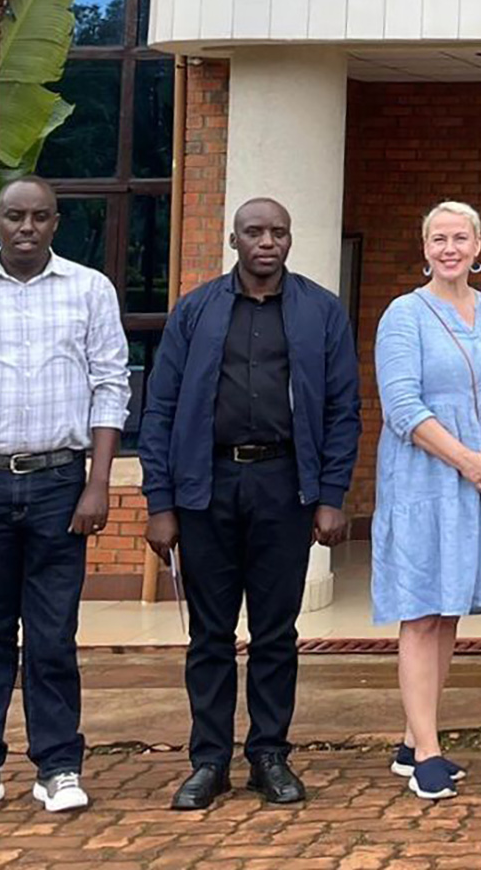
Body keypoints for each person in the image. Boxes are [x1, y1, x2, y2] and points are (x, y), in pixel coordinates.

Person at [0, 177, 130, 820]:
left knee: (52, 635)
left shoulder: (90, 290)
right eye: (15, 216)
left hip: (60, 483)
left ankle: (59, 764)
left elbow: (110, 386)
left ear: (56, 223)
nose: (27, 227)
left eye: (39, 217)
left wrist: (98, 484)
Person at [141, 198, 360, 811]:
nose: (267, 241)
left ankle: (270, 754)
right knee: (209, 634)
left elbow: (344, 411)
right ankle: (208, 761)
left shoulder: (321, 312)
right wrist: (161, 502)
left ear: (290, 240)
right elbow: (159, 410)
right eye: (254, 232)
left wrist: (331, 496)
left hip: (284, 487)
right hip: (206, 487)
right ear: (232, 239)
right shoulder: (196, 311)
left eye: (278, 232)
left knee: (275, 633)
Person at [373, 201, 481, 801]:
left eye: (460, 237)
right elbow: (403, 407)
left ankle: (415, 737)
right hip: (426, 479)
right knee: (421, 609)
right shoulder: (403, 315)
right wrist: (467, 461)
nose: (449, 248)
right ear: (424, 246)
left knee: (449, 611)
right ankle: (427, 755)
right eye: (438, 238)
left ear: (478, 244)